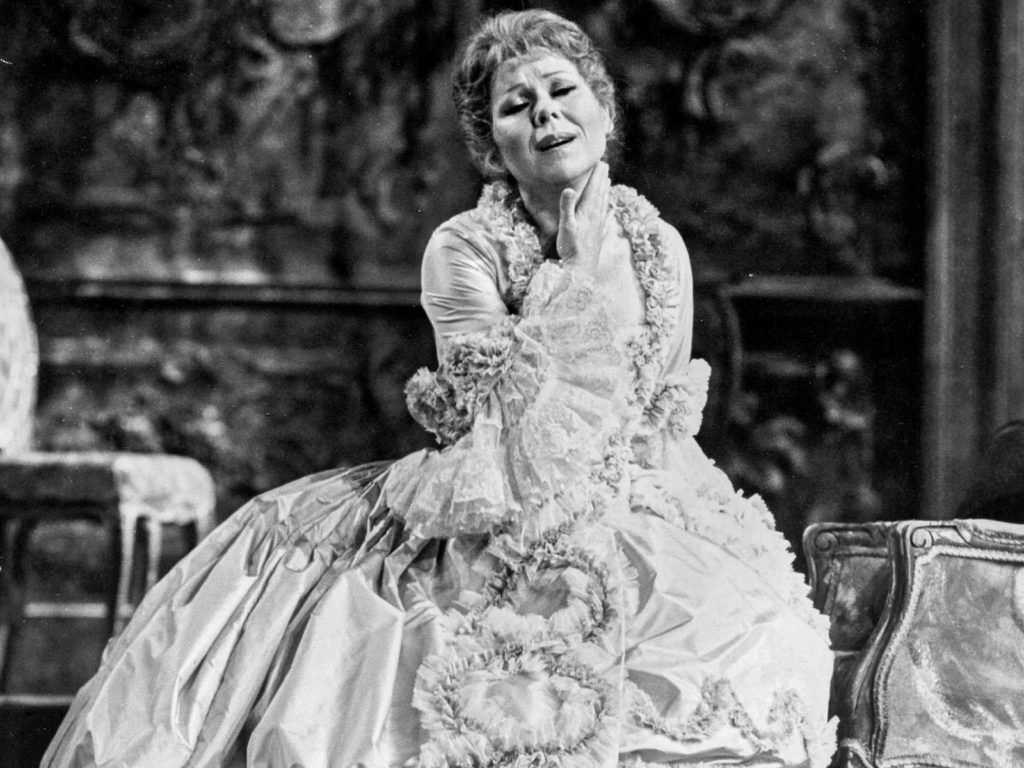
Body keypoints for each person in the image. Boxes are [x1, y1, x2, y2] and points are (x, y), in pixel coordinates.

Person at [44, 10, 835, 767]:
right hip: (500, 501)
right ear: (493, 145)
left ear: (604, 110)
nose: (547, 114)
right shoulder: (463, 249)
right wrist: (573, 268)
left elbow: (661, 412)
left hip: (636, 495)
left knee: (743, 634)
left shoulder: (658, 245)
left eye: (564, 91)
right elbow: (510, 426)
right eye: (517, 106)